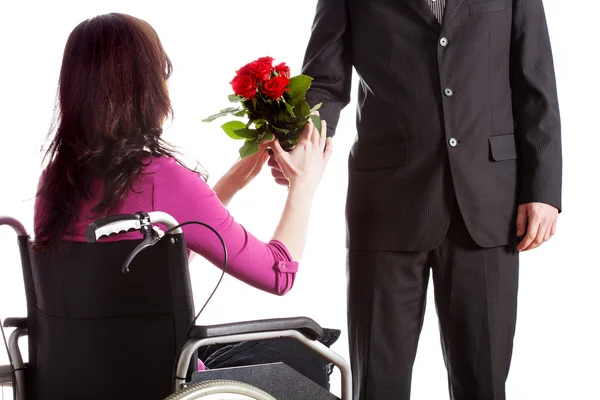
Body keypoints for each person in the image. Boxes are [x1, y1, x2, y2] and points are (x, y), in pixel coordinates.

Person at [269, 0, 562, 399]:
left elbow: (535, 74)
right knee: (378, 385)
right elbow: (323, 78)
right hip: (386, 204)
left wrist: (542, 189)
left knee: (485, 384)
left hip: (488, 203)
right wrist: (298, 149)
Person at [33, 12, 333, 374]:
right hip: (163, 382)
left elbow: (144, 275)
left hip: (79, 381)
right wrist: (304, 185)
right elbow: (278, 273)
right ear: (146, 87)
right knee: (308, 353)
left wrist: (233, 182)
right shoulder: (164, 179)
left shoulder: (54, 182)